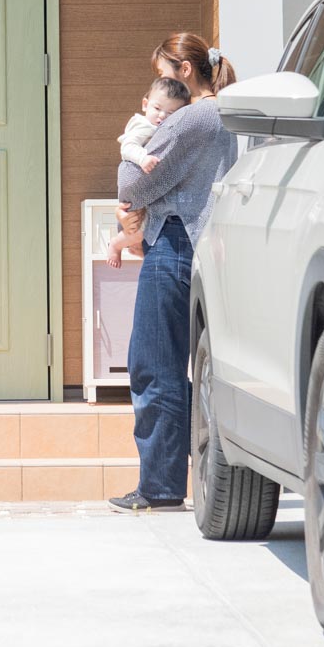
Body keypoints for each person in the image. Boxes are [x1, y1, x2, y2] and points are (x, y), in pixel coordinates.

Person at [109, 33, 239, 511]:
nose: (159, 95)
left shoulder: (192, 117)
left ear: (185, 71)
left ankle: (161, 486)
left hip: (174, 243)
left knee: (154, 364)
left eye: (164, 76)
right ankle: (197, 471)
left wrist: (129, 209)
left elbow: (131, 181)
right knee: (182, 366)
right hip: (193, 243)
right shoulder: (222, 114)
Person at [106, 76, 192, 267]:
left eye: (170, 113)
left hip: (145, 191)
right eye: (157, 108)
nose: (161, 116)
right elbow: (127, 147)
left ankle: (132, 246)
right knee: (141, 229)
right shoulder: (144, 126)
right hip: (137, 191)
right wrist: (143, 158)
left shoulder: (161, 129)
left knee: (143, 228)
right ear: (145, 104)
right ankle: (116, 244)